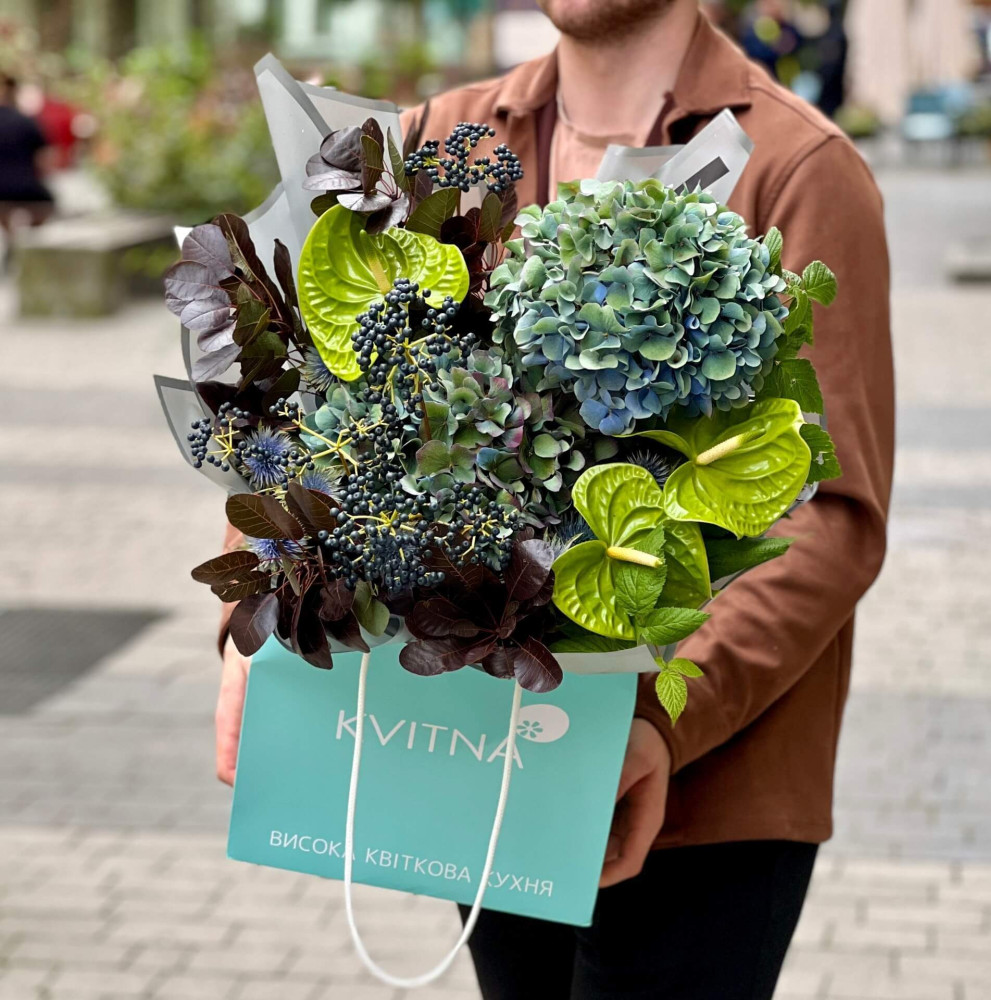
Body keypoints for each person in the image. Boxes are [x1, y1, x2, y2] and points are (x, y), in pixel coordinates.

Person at [214, 2, 894, 997]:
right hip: (488, 752)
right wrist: (265, 614)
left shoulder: (799, 166)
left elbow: (829, 518)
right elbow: (305, 408)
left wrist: (657, 720)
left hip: (701, 796)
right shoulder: (442, 135)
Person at [0, 73, 54, 254]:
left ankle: (13, 243)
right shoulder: (26, 121)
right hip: (27, 188)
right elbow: (45, 160)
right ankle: (28, 247)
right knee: (47, 207)